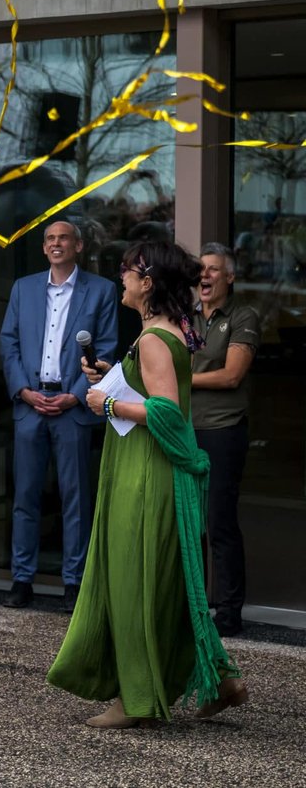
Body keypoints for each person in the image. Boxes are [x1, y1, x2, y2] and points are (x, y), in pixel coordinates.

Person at [49, 240, 246, 727]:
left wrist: (109, 405)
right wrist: (113, 375)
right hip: (143, 468)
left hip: (145, 475)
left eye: (128, 271)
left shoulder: (156, 338)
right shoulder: (165, 331)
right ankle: (221, 680)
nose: (121, 278)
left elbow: (167, 413)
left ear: (148, 282)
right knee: (168, 584)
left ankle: (135, 700)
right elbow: (159, 389)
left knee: (134, 582)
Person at [0, 219, 119, 611]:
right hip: (31, 405)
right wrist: (23, 390)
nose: (56, 243)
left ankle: (74, 582)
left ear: (78, 246)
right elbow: (9, 342)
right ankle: (22, 579)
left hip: (73, 409)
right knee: (26, 498)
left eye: (63, 238)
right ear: (43, 247)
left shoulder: (101, 291)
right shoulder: (23, 288)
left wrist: (77, 395)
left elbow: (106, 348)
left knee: (75, 499)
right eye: (49, 238)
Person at [190, 242, 259, 638]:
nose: (206, 275)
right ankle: (197, 608)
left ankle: (230, 612)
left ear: (228, 278)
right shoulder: (185, 319)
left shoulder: (242, 315)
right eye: (202, 269)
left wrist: (182, 380)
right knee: (190, 524)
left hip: (223, 430)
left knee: (219, 522)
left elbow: (232, 375)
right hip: (187, 429)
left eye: (214, 269)